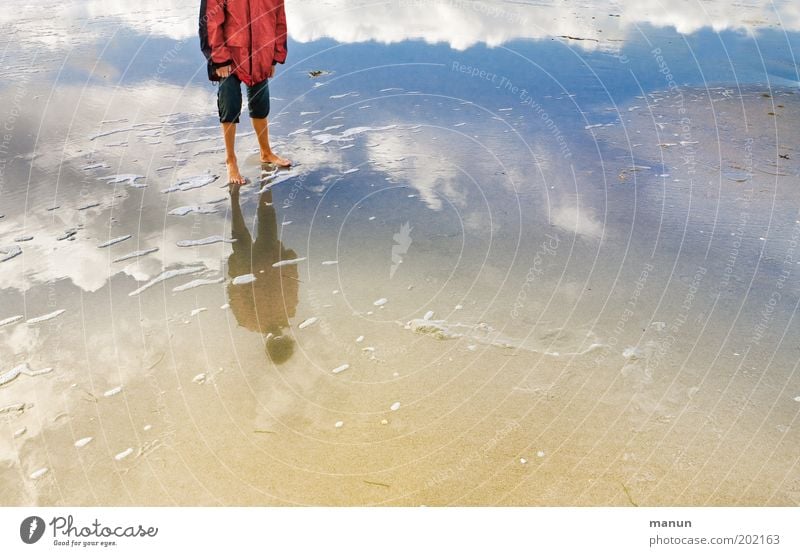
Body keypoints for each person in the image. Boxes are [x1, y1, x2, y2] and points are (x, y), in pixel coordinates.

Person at [199, 0, 291, 186]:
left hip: (261, 55)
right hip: (230, 58)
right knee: (230, 105)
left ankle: (266, 152)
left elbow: (279, 18)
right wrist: (220, 59)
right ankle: (231, 160)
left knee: (261, 104)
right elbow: (211, 21)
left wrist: (274, 56)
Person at [226, 179, 299, 365]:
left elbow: (291, 282)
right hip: (259, 263)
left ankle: (255, 181)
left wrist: (289, 260)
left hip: (262, 262)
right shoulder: (250, 321)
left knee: (263, 220)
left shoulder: (284, 312)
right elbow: (234, 293)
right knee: (252, 227)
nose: (279, 336)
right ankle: (238, 192)